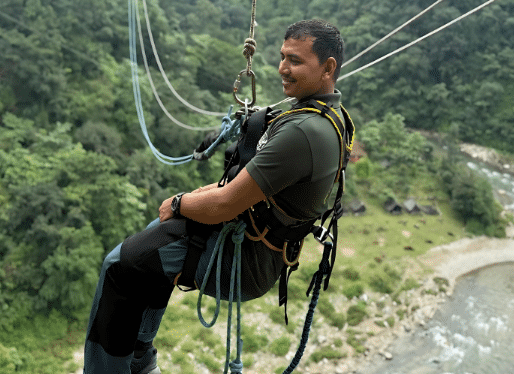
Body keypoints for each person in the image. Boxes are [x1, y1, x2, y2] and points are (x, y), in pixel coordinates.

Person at [84, 19, 352, 374]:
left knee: (121, 265)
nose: (282, 68)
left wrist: (179, 203)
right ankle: (139, 359)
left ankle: (117, 367)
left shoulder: (304, 131)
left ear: (328, 67)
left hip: (244, 258)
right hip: (251, 242)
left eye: (295, 61)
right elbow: (243, 186)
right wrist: (193, 198)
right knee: (149, 246)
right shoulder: (325, 116)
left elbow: (226, 203)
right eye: (282, 57)